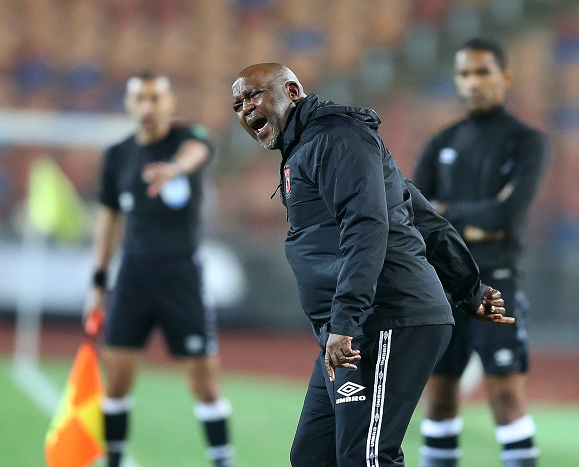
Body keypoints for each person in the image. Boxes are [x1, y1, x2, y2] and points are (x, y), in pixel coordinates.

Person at [231, 63, 514, 467]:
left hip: (384, 317)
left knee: (368, 458)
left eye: (254, 95)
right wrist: (469, 288)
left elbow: (367, 226)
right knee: (314, 456)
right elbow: (421, 215)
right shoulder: (312, 146)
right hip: (353, 325)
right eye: (237, 104)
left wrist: (345, 321)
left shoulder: (337, 138)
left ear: (292, 92)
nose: (245, 109)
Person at [82, 71, 233, 467]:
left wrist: (175, 170)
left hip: (182, 276)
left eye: (155, 98)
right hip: (132, 277)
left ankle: (222, 459)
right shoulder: (118, 155)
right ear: (129, 105)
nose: (148, 107)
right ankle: (113, 459)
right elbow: (109, 218)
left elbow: (198, 152)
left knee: (204, 384)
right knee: (115, 381)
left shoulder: (189, 139)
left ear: (170, 103)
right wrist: (98, 280)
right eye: (140, 99)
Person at [413, 37, 549, 467]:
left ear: (505, 76)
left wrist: (447, 213)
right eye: (465, 74)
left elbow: (508, 213)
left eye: (482, 72)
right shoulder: (442, 141)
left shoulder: (527, 141)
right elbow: (414, 213)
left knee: (506, 398)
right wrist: (473, 220)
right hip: (444, 289)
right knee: (438, 402)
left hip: (497, 283)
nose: (473, 82)